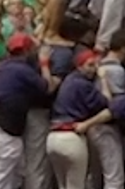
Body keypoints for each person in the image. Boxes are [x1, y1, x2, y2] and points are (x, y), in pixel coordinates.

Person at [0, 35, 57, 189]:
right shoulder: (22, 70)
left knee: (15, 177)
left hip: (2, 127)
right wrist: (44, 63)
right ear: (27, 51)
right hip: (7, 133)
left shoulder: (2, 67)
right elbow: (48, 88)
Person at [47, 50, 109, 189]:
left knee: (62, 185)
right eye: (90, 65)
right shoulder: (83, 85)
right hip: (71, 137)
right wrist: (103, 79)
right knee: (76, 185)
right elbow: (106, 103)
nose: (94, 69)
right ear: (79, 66)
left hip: (52, 137)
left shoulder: (67, 80)